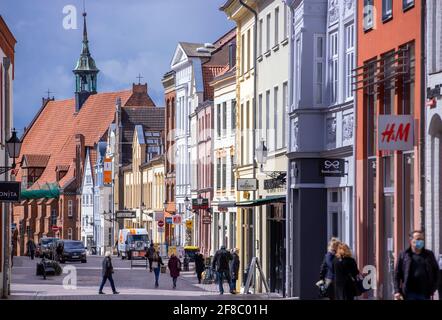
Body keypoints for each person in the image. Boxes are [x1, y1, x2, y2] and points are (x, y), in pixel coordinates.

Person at [394, 230, 439, 300]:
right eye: (418, 239)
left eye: (422, 239)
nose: (420, 241)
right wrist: (397, 291)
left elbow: (437, 272)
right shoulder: (404, 255)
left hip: (425, 294)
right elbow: (397, 274)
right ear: (411, 240)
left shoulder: (429, 254)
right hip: (409, 293)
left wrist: (433, 288)